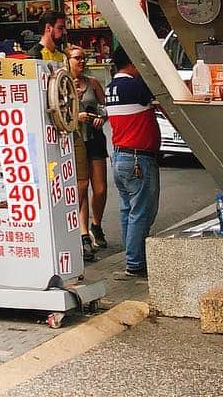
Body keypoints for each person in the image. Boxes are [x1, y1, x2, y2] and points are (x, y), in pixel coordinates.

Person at [105, 46, 161, 280]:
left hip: (120, 156)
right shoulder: (135, 85)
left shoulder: (110, 88)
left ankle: (132, 259)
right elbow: (164, 94)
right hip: (138, 158)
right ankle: (136, 263)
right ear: (131, 62)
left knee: (128, 210)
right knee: (141, 212)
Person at [67, 45, 108, 261]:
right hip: (76, 140)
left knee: (99, 188)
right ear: (68, 61)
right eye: (77, 58)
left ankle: (96, 225)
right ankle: (83, 234)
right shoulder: (63, 84)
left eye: (84, 58)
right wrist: (76, 116)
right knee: (81, 186)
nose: (81, 62)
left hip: (95, 137)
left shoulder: (92, 82)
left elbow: (107, 106)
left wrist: (102, 116)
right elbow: (57, 111)